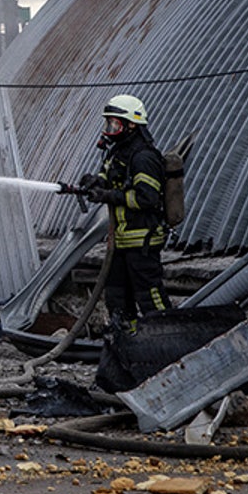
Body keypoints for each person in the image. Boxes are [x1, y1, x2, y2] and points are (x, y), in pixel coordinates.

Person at [79, 94, 170, 331]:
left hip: (142, 240)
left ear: (131, 125)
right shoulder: (117, 152)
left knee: (149, 294)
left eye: (115, 124)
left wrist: (109, 196)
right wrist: (94, 183)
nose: (109, 129)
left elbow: (146, 198)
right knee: (117, 295)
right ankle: (126, 337)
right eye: (108, 123)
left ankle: (166, 333)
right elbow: (108, 178)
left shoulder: (144, 158)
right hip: (120, 240)